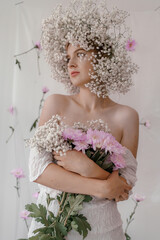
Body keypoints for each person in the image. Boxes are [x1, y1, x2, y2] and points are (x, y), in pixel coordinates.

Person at [27, 1, 139, 239]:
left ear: (103, 59)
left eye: (80, 54)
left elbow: (124, 186)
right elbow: (38, 171)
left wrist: (85, 167)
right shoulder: (56, 103)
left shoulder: (127, 116)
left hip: (105, 229)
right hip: (53, 225)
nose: (70, 63)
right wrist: (101, 185)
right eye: (68, 57)